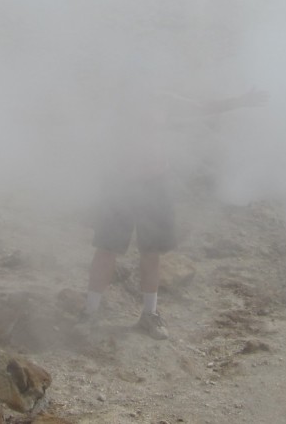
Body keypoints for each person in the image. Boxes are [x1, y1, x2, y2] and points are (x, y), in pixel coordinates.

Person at [78, 86, 269, 340]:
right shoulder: (115, 100)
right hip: (119, 184)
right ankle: (90, 313)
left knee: (151, 251)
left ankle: (149, 314)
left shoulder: (162, 100)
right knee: (106, 249)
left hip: (154, 184)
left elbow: (201, 107)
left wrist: (240, 101)